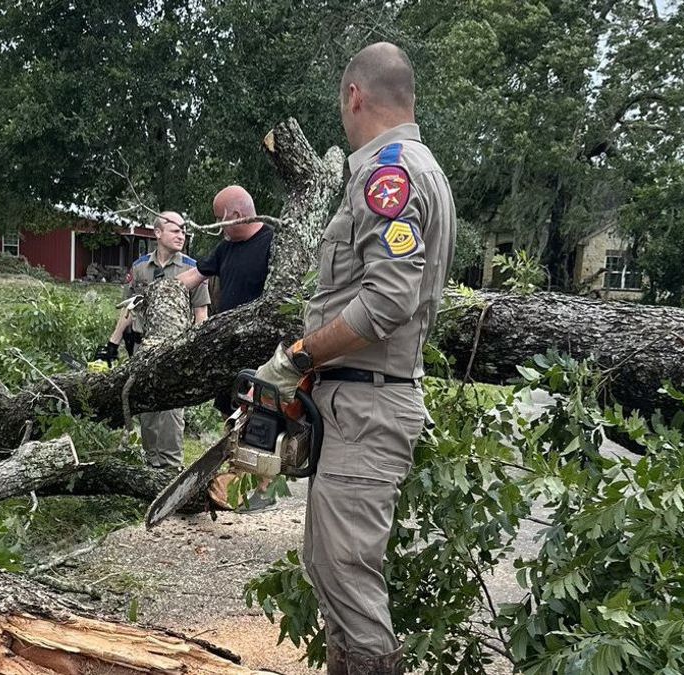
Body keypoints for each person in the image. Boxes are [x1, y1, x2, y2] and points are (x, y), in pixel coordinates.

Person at [253, 42, 456, 674]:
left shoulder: (387, 174)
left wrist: (296, 355)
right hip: (357, 398)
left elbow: (387, 302)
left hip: (369, 403)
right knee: (331, 567)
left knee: (348, 577)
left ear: (354, 96)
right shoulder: (418, 168)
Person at [94, 211, 210, 471]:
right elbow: (129, 309)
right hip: (142, 349)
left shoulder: (193, 268)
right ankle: (150, 470)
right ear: (158, 233)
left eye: (183, 230)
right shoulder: (140, 268)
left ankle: (170, 471)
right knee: (146, 410)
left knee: (170, 413)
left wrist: (198, 351)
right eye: (175, 230)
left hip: (176, 352)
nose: (181, 235)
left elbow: (201, 314)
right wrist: (111, 345)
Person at [176, 185, 274, 416]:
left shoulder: (273, 243)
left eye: (220, 220)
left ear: (237, 216)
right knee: (227, 418)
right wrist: (161, 291)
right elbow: (194, 275)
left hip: (260, 356)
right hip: (228, 352)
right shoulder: (226, 247)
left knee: (256, 424)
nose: (218, 227)